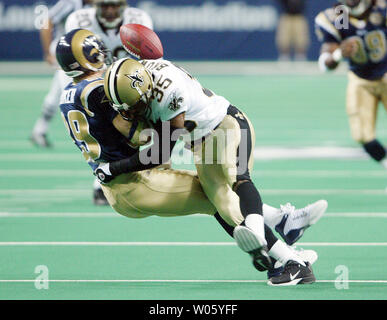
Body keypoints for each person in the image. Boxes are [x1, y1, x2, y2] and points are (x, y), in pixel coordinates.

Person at [57, 28, 327, 286]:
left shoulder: (71, 94)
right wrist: (123, 159)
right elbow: (140, 136)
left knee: (220, 192)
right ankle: (290, 260)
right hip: (135, 180)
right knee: (219, 198)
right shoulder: (103, 89)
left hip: (127, 181)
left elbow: (151, 136)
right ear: (88, 56)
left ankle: (283, 228)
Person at [64, 0, 153, 205]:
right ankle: (100, 184)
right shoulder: (79, 20)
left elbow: (147, 59)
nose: (110, 11)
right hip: (93, 85)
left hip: (127, 83)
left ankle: (151, 166)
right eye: (105, 6)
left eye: (114, 5)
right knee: (103, 133)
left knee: (141, 127)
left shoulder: (139, 19)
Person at [315, 0, 387, 178]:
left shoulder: (381, 8)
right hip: (361, 80)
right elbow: (325, 62)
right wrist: (339, 54)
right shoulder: (339, 17)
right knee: (363, 135)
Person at [30, 0, 93, 148]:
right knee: (71, 91)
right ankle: (85, 135)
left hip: (78, 54)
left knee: (57, 92)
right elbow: (47, 22)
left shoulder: (97, 7)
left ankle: (39, 130)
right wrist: (48, 52)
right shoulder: (71, 3)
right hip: (65, 51)